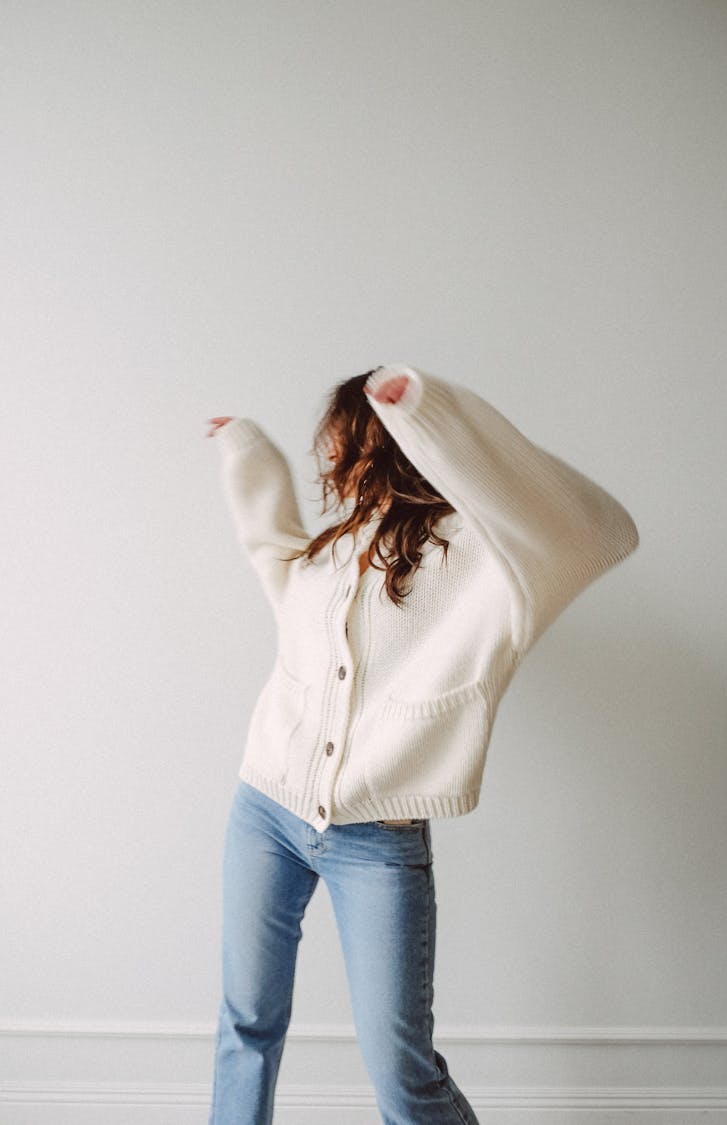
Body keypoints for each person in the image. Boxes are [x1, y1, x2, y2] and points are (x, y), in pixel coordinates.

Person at [204, 363, 639, 1124]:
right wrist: (248, 456)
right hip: (265, 809)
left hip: (377, 836)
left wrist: (433, 412)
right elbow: (274, 555)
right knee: (246, 1023)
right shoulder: (334, 548)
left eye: (345, 435)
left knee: (401, 1069)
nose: (330, 456)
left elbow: (592, 531)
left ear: (385, 440)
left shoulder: (479, 558)